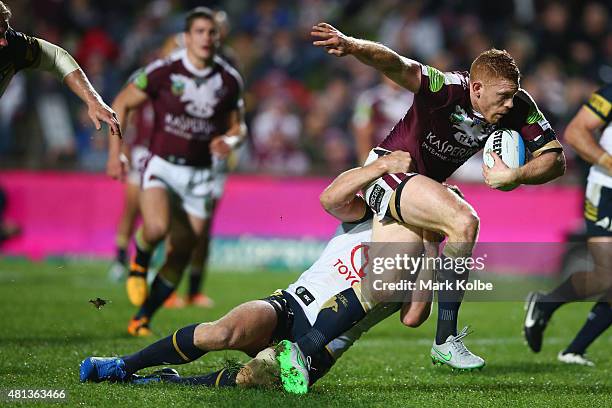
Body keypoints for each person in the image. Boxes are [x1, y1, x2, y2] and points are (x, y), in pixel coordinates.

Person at [301, 22, 566, 374]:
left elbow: (555, 158)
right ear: (476, 87)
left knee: (391, 293)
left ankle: (301, 349)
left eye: (512, 95)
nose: (507, 104)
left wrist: (515, 174)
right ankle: (446, 341)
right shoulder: (446, 88)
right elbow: (397, 64)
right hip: (389, 172)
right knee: (464, 221)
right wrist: (351, 45)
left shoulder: (518, 105)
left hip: (419, 189)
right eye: (501, 96)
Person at [79, 151, 435, 393]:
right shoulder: (372, 215)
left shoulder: (422, 259)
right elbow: (330, 199)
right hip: (291, 305)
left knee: (249, 379)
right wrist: (380, 167)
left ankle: (166, 382)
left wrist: (433, 244)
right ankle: (122, 365)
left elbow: (413, 317)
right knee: (221, 333)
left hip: (322, 349)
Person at [105, 7, 246, 336]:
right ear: (186, 37)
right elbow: (122, 102)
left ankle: (143, 316)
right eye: (199, 32)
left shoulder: (229, 80)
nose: (206, 38)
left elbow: (240, 128)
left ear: (218, 37)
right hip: (162, 166)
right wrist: (116, 154)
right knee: (156, 227)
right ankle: (139, 261)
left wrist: (230, 139)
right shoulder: (163, 71)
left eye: (211, 33)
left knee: (183, 251)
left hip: (200, 176)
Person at [524, 83, 612, 366]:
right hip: (607, 190)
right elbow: (576, 132)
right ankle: (548, 305)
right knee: (607, 275)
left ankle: (574, 350)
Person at [0, 1, 120, 136]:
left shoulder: (13, 44)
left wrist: (93, 100)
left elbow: (57, 58)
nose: (4, 41)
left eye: (4, 32)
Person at [352, 75, 414, 164]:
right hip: (379, 157)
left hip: (409, 157)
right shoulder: (369, 98)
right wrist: (365, 162)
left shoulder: (414, 98)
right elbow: (362, 131)